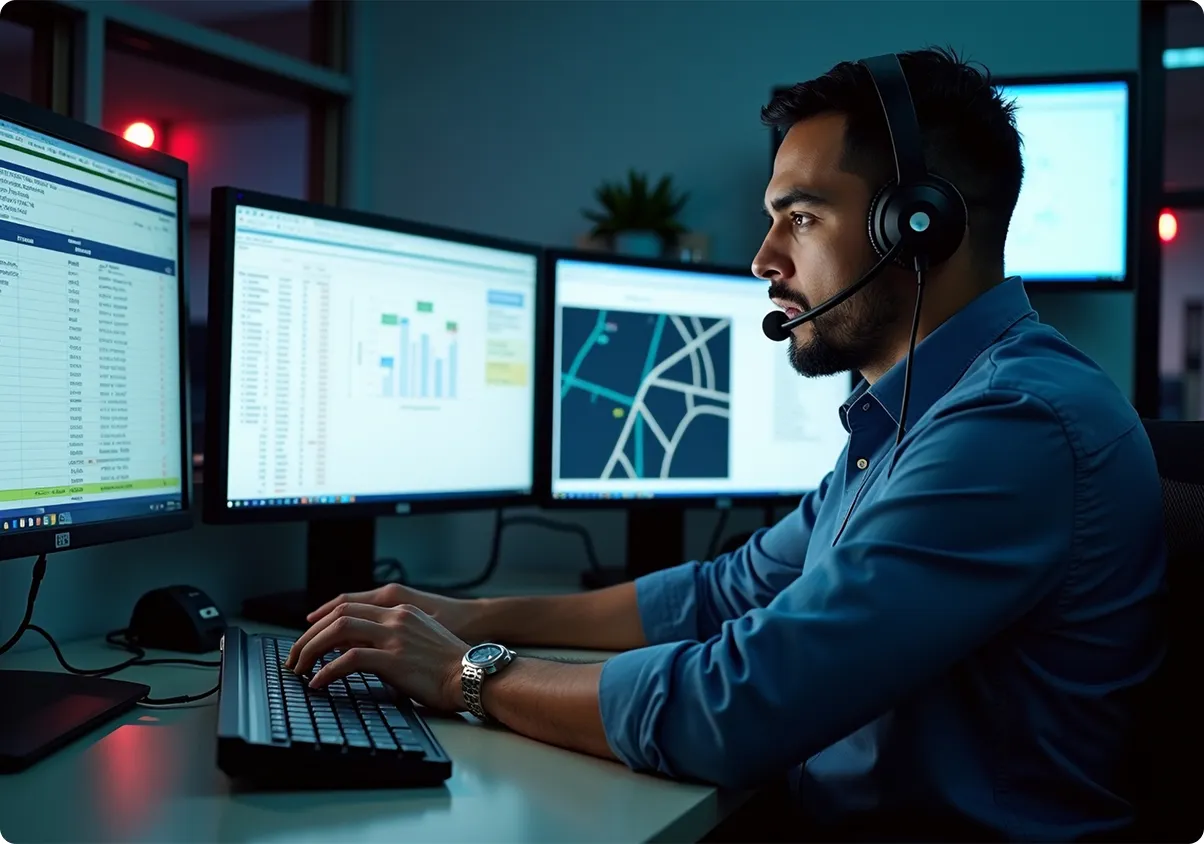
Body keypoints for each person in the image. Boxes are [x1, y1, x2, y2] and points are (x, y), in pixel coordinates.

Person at [284, 47, 1165, 841]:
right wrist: (474, 615)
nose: (763, 258)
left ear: (918, 225)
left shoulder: (1012, 425)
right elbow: (721, 594)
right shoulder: (912, 416)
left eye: (801, 216)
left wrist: (467, 674)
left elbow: (738, 706)